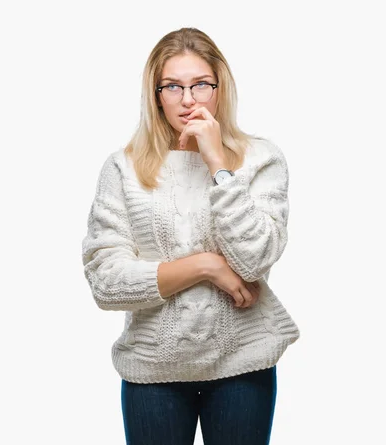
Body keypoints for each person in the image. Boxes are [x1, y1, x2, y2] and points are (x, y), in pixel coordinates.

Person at [81, 27, 300, 445]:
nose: (188, 99)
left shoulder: (260, 160)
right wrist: (206, 266)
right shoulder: (123, 169)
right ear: (155, 94)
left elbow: (255, 259)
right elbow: (106, 283)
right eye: (173, 86)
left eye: (201, 84)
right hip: (154, 369)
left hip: (242, 363)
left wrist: (218, 161)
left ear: (220, 89)